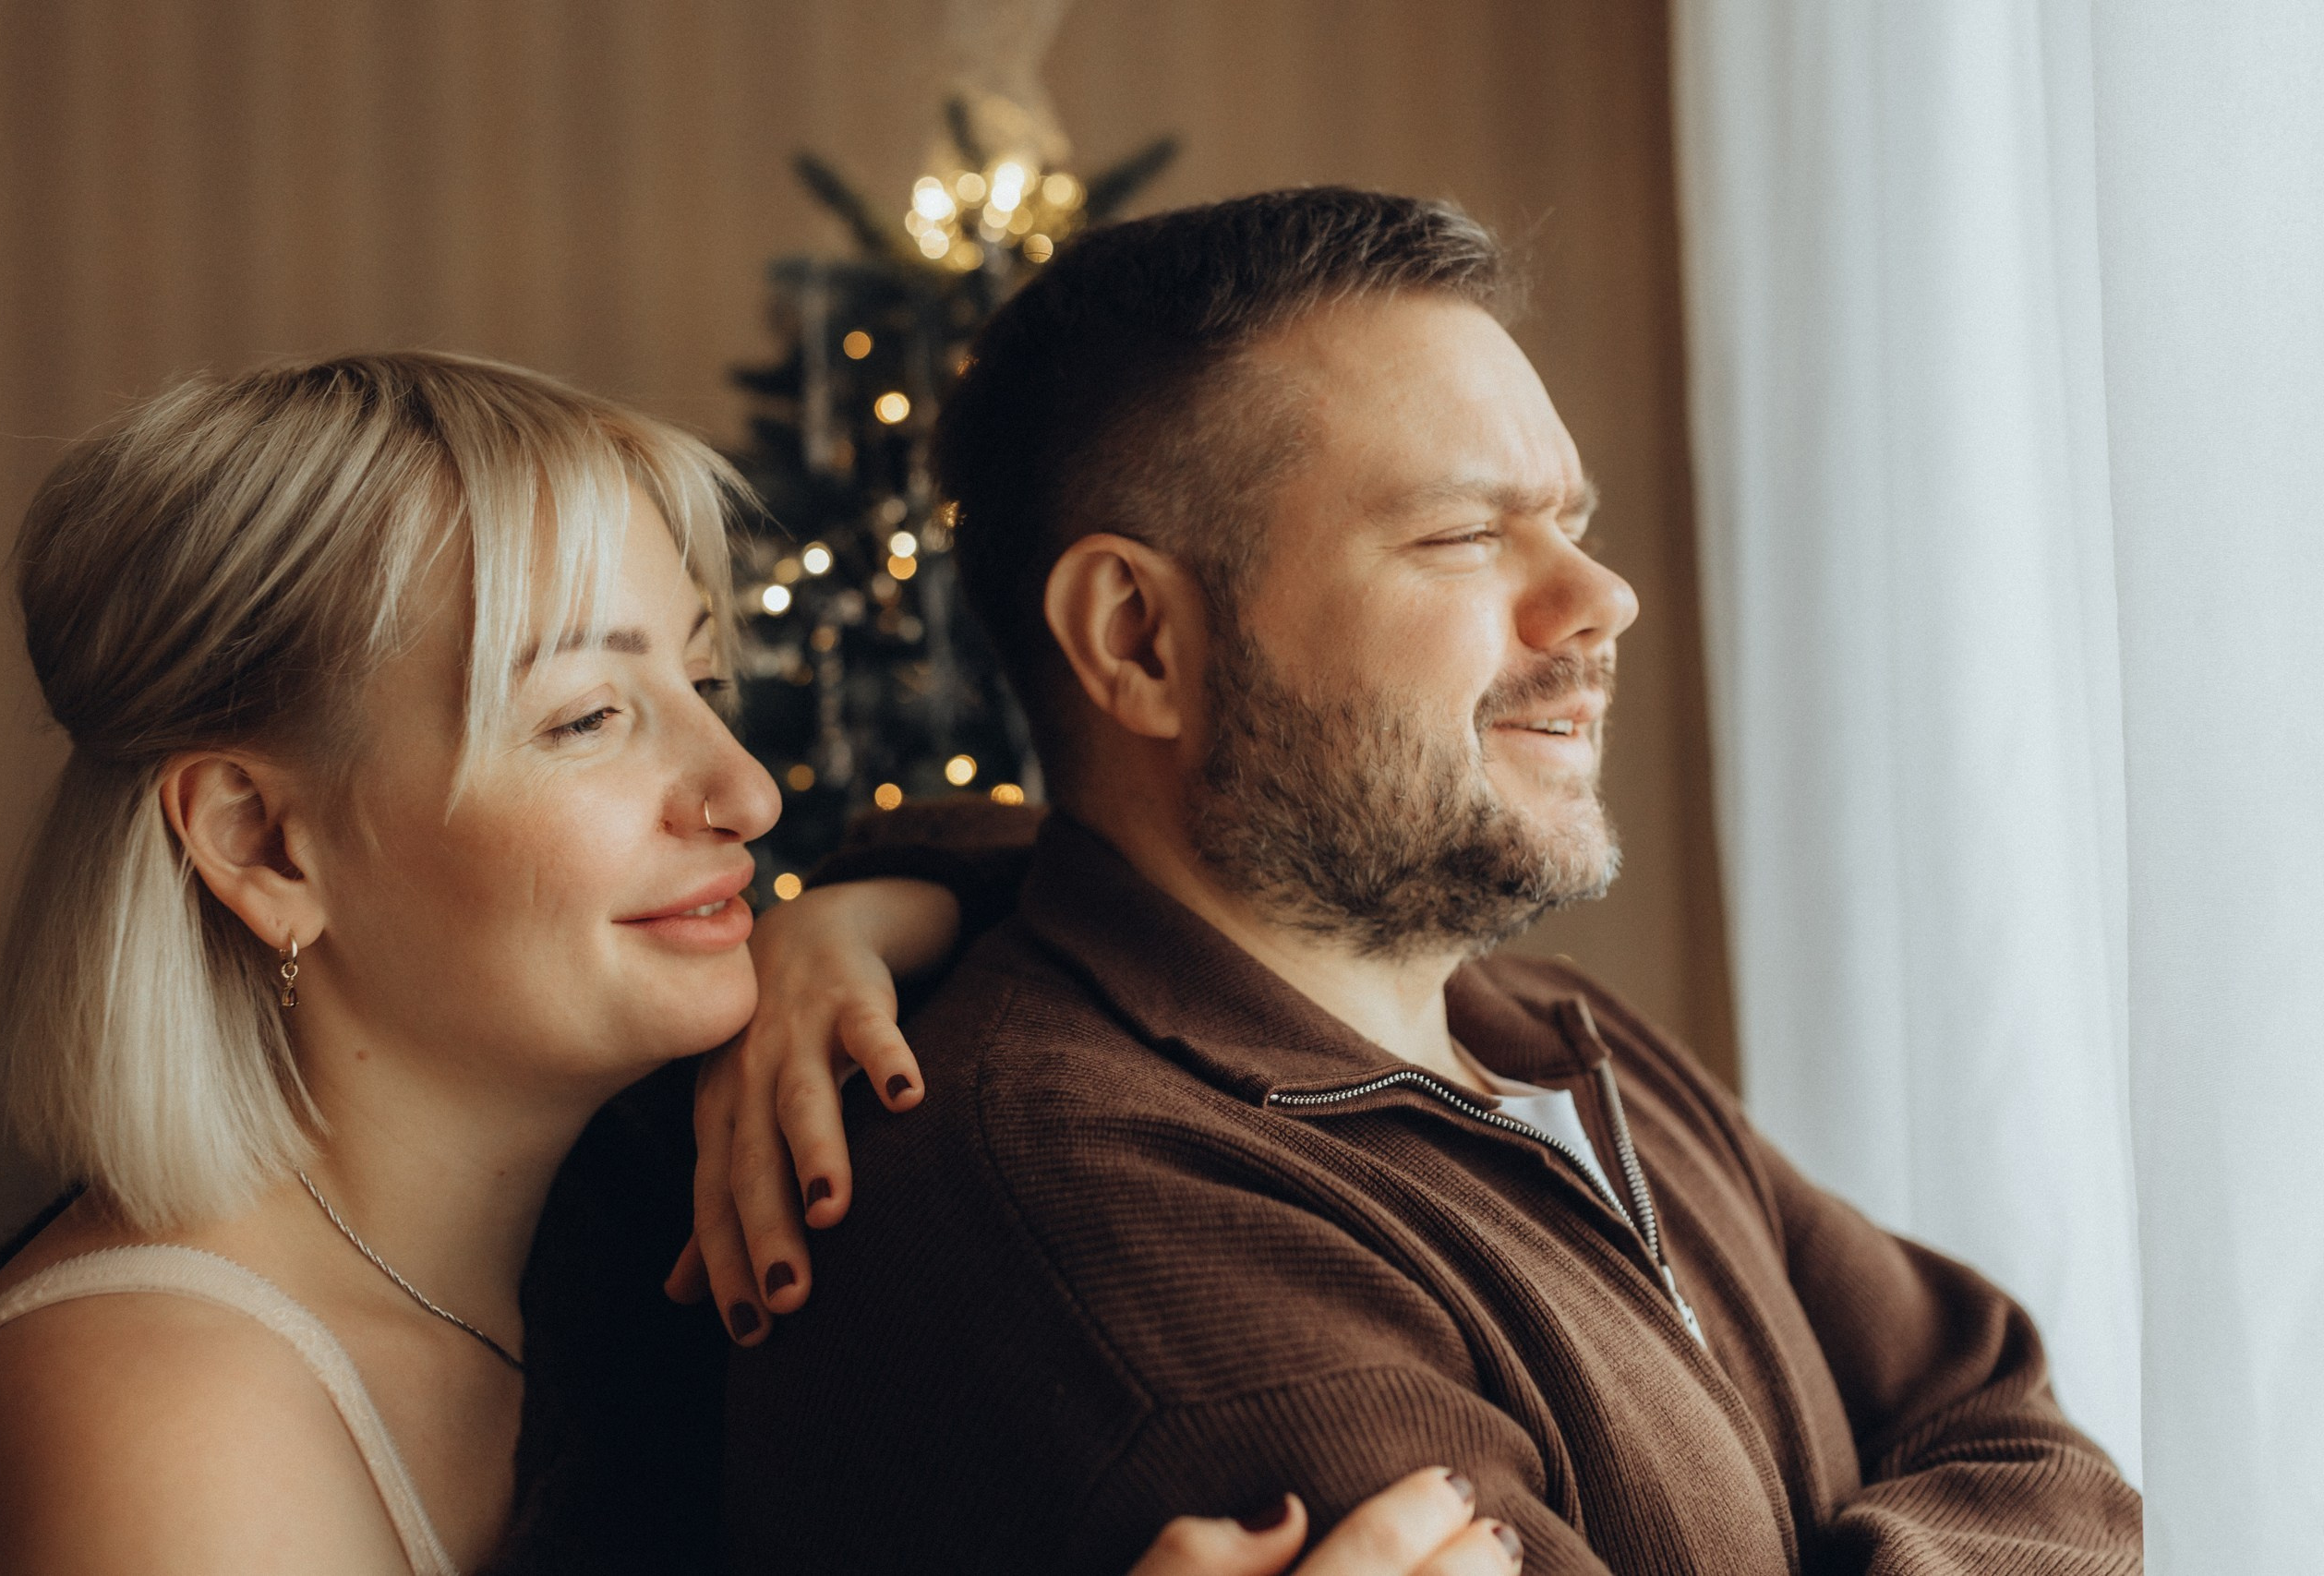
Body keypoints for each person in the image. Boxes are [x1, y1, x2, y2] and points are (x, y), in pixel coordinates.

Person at [701, 190, 2146, 1571]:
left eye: (1568, 520)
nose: (1602, 599)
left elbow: (2000, 1410)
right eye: (1464, 535)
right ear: (1139, 638)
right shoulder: (1113, 1209)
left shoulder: (1539, 1028)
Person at [0, 353, 1517, 1576]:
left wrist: (855, 909)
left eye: (704, 679)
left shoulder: (625, 1213)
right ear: (262, 845)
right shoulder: (161, 1403)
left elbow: (1074, 872)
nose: (748, 795)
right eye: (587, 718)